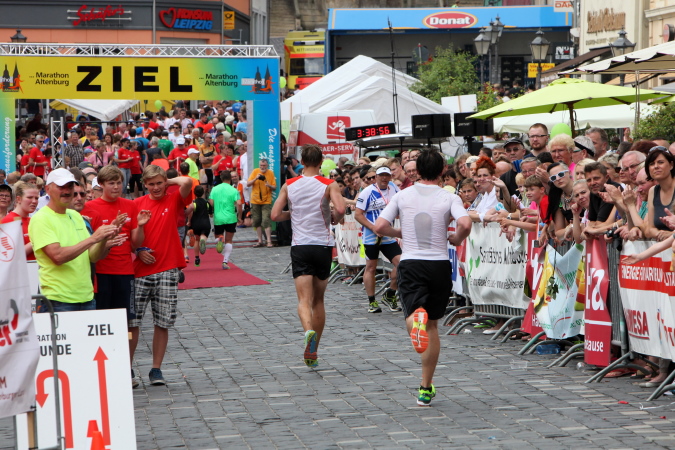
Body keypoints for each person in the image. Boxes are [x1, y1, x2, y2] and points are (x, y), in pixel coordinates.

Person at [373, 149, 471, 406]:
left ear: (415, 171)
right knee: (433, 325)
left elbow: (380, 226)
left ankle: (415, 321)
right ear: (442, 171)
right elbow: (466, 224)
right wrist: (456, 238)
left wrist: (400, 232)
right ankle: (425, 387)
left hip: (411, 262)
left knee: (415, 316)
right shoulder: (449, 196)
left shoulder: (402, 195)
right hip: (438, 264)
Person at [270, 144, 346, 368]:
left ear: (302, 162)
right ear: (321, 162)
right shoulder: (329, 184)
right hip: (322, 245)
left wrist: (293, 214)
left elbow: (275, 215)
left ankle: (308, 331)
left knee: (304, 300)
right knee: (319, 300)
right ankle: (315, 349)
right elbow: (341, 209)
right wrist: (334, 218)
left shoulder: (290, 184)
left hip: (300, 246)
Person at [129, 165, 192, 386]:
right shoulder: (136, 204)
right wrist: (138, 250)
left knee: (162, 322)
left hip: (168, 268)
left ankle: (156, 369)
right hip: (141, 270)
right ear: (144, 184)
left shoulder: (173, 199)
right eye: (151, 184)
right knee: (132, 323)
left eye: (159, 183)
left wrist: (168, 182)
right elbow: (131, 238)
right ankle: (127, 368)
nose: (156, 188)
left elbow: (187, 182)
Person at [28, 168, 120, 312]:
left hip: (86, 296)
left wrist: (104, 239)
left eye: (70, 186)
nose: (67, 191)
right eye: (61, 186)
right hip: (58, 299)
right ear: (47, 189)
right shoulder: (41, 218)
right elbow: (57, 256)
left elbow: (92, 257)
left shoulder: (75, 215)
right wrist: (94, 238)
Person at [354, 166, 402, 313]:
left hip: (388, 235)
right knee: (371, 267)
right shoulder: (368, 191)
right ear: (376, 177)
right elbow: (358, 214)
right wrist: (374, 228)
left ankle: (390, 294)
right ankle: (372, 301)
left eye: (387, 175)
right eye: (381, 175)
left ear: (390, 177)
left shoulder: (394, 189)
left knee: (402, 264)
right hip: (371, 236)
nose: (384, 178)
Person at [209, 171, 241, 269]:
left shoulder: (214, 189)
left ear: (221, 178)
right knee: (229, 240)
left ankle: (219, 239)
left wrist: (214, 209)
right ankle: (225, 261)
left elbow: (211, 202)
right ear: (230, 178)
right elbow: (239, 203)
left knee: (218, 236)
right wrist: (239, 216)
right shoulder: (234, 190)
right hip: (231, 217)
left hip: (218, 217)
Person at [1, 181, 39, 260]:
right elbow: (10, 255)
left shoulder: (32, 220)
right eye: (30, 197)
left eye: (36, 198)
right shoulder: (8, 221)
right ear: (18, 199)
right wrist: (37, 241)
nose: (34, 201)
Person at [247, 159, 277, 247]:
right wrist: (256, 178)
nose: (262, 167)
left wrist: (269, 185)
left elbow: (274, 187)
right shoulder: (255, 171)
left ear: (267, 166)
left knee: (266, 220)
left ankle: (269, 241)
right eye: (261, 165)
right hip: (255, 200)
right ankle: (260, 241)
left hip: (266, 201)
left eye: (264, 165)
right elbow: (248, 184)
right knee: (257, 220)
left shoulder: (270, 173)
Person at [186, 185, 212, 267]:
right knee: (203, 235)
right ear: (203, 193)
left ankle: (197, 258)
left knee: (196, 239)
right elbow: (211, 214)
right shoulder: (207, 203)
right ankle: (203, 240)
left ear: (194, 193)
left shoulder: (194, 203)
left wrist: (189, 221)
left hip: (196, 223)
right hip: (205, 223)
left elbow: (189, 212)